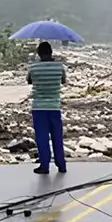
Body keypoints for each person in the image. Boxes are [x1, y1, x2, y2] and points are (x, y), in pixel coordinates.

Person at [27, 41, 67, 174]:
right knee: (57, 136)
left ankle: (44, 166)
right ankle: (61, 165)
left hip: (38, 107)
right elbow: (63, 81)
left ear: (38, 54)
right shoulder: (59, 67)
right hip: (54, 107)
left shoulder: (33, 67)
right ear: (51, 52)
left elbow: (29, 80)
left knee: (42, 137)